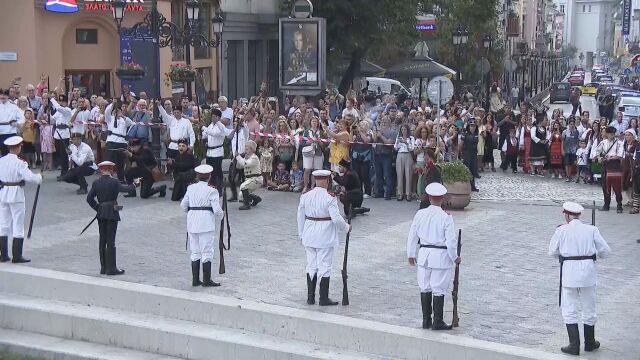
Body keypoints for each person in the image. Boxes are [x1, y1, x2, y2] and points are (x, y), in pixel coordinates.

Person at [548, 202, 611, 355]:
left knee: (569, 307)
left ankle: (574, 345)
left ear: (567, 214)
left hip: (569, 271)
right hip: (588, 271)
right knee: (589, 306)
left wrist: (564, 256)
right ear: (579, 215)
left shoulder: (561, 230)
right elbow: (605, 251)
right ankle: (590, 342)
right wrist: (594, 255)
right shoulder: (591, 229)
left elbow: (552, 252)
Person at [406, 183, 461, 330]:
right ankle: (437, 320)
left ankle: (426, 320)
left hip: (424, 255)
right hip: (441, 257)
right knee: (438, 289)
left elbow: (412, 235)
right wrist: (455, 257)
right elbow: (451, 242)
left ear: (429, 198)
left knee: (425, 287)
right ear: (442, 198)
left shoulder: (420, 214)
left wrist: (411, 254)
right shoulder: (446, 218)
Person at [297, 170, 351, 306]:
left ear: (315, 180)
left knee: (311, 265)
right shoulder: (330, 197)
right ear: (327, 181)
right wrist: (346, 227)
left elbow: (300, 217)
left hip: (309, 233)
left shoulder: (305, 195)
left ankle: (310, 297)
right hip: (325, 235)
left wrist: (301, 234)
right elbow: (337, 219)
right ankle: (323, 298)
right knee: (324, 265)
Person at [86, 161, 137, 275]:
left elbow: (89, 199)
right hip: (112, 212)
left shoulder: (96, 182)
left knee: (102, 239)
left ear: (101, 170)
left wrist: (98, 208)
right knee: (111, 239)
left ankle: (103, 267)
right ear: (111, 170)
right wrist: (135, 184)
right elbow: (127, 189)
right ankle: (112, 268)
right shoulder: (114, 182)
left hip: (101, 213)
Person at [0, 136, 43, 263]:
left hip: (3, 193)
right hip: (16, 194)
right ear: (18, 147)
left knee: (3, 224)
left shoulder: (1, 160)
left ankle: (3, 255)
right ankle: (17, 256)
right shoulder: (21, 162)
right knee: (18, 224)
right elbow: (30, 178)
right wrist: (39, 177)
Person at [180, 164, 224, 287]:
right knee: (207, 251)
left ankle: (195, 279)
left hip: (192, 222)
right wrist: (222, 216)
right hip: (206, 223)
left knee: (195, 251)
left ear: (198, 176)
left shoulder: (190, 188)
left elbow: (183, 206)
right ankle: (206, 280)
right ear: (209, 176)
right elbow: (217, 210)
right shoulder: (212, 190)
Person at [594, 126, 624, 213]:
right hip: (605, 166)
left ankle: (619, 205)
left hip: (615, 165)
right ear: (607, 134)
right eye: (610, 134)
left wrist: (610, 158)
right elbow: (597, 152)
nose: (612, 135)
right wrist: (599, 158)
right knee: (605, 186)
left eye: (613, 134)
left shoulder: (619, 143)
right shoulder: (603, 143)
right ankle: (606, 204)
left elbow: (620, 155)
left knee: (616, 186)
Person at [202, 108, 227, 190]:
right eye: (212, 116)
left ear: (218, 117)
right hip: (209, 152)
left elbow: (214, 134)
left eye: (214, 116)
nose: (212, 118)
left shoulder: (221, 127)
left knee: (217, 171)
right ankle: (211, 187)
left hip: (217, 152)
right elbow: (207, 135)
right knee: (210, 170)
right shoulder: (210, 125)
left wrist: (204, 128)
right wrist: (202, 132)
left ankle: (219, 188)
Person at [235, 140, 262, 210]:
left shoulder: (254, 158)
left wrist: (238, 157)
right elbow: (239, 167)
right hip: (249, 180)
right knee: (241, 196)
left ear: (252, 150)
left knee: (243, 186)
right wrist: (237, 159)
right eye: (245, 149)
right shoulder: (246, 157)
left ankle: (247, 205)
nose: (245, 150)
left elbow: (245, 164)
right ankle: (256, 199)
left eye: (247, 149)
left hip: (256, 179)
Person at [50, 94, 72, 180]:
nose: (61, 103)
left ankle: (65, 173)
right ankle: (63, 172)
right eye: (60, 101)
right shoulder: (58, 111)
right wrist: (48, 113)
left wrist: (52, 99)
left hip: (64, 134)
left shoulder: (67, 110)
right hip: (57, 133)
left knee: (64, 155)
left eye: (63, 101)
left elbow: (59, 108)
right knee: (60, 154)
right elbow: (53, 119)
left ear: (66, 102)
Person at [0, 89, 25, 156]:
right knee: (3, 154)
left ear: (8, 96)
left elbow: (22, 118)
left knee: (11, 153)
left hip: (11, 132)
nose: (2, 96)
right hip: (1, 133)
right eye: (1, 95)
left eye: (4, 95)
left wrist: (16, 123)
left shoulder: (14, 107)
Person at [460, 119, 480, 192]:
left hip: (474, 154)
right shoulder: (465, 133)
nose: (473, 127)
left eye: (474, 126)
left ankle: (473, 186)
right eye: (471, 125)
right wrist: (460, 154)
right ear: (468, 126)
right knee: (466, 170)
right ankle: (465, 186)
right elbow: (461, 144)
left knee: (473, 170)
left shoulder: (476, 134)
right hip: (466, 153)